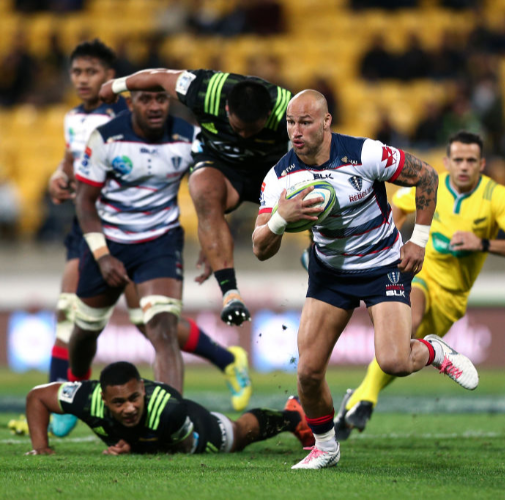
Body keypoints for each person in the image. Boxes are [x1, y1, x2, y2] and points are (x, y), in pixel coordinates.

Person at [252, 90, 479, 469]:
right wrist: (281, 216)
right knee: (308, 372)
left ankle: (434, 351)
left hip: (382, 265)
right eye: (291, 123)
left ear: (326, 122)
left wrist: (418, 241)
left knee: (393, 360)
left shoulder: (364, 154)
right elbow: (260, 248)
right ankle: (325, 448)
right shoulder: (279, 178)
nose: (296, 131)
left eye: (305, 122)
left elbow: (426, 176)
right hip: (330, 271)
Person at [46, 40, 251, 439]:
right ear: (130, 102)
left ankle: (168, 422)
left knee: (160, 327)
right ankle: (73, 382)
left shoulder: (190, 139)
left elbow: (215, 188)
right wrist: (103, 256)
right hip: (109, 240)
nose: (156, 106)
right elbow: (85, 204)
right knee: (83, 332)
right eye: (146, 99)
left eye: (162, 98)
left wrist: (214, 247)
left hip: (159, 243)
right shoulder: (105, 137)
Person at [334, 131, 505, 440]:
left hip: (453, 299)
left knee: (400, 352)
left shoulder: (497, 196)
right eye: (458, 160)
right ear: (447, 162)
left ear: (482, 164)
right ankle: (366, 402)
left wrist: (482, 243)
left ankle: (360, 399)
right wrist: (392, 241)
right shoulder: (432, 186)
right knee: (408, 324)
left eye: (471, 160)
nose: (464, 166)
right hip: (420, 276)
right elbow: (397, 208)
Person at [99, 66, 293, 327]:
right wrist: (116, 85)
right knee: (202, 190)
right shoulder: (205, 90)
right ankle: (230, 294)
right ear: (226, 110)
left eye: (252, 131)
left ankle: (317, 249)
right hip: (221, 164)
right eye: (239, 128)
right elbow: (158, 77)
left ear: (268, 114)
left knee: (310, 194)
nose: (245, 136)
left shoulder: (289, 109)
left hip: (271, 172)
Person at [24, 361, 312, 455]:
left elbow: (182, 447)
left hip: (192, 432)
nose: (128, 409)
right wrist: (41, 447)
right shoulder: (87, 397)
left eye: (134, 398)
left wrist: (132, 447)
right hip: (147, 437)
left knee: (238, 434)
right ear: (103, 397)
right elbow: (36, 397)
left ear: (142, 387)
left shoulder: (168, 407)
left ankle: (292, 416)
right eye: (118, 402)